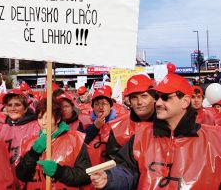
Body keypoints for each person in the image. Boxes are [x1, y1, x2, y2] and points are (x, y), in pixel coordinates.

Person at [90, 73, 221, 190]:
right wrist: (110, 178)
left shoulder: (215, 138)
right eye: (157, 97)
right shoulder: (141, 136)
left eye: (165, 97)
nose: (158, 103)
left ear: (185, 101)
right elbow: (126, 170)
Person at [16, 98, 92, 189]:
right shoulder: (28, 142)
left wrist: (60, 172)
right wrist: (33, 153)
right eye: (40, 118)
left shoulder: (75, 140)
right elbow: (21, 175)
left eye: (48, 118)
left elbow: (86, 175)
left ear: (58, 119)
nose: (43, 123)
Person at [104, 74, 156, 160]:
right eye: (134, 97)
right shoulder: (117, 129)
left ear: (154, 98)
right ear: (130, 102)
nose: (139, 102)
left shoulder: (169, 124)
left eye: (144, 96)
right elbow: (113, 164)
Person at [0, 89, 39, 165]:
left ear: (25, 109)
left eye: (17, 105)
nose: (12, 108)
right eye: (9, 105)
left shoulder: (36, 127)